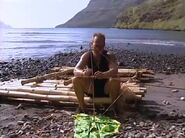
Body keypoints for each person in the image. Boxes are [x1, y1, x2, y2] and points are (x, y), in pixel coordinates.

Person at [72, 33, 120, 112]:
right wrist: (83, 73)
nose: (99, 49)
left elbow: (114, 70)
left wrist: (104, 75)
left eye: (101, 46)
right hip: (91, 88)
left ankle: (111, 107)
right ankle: (82, 106)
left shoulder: (109, 56)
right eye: (96, 46)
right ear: (92, 44)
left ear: (104, 45)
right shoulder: (86, 55)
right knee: (75, 79)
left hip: (106, 89)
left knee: (115, 80)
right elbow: (76, 70)